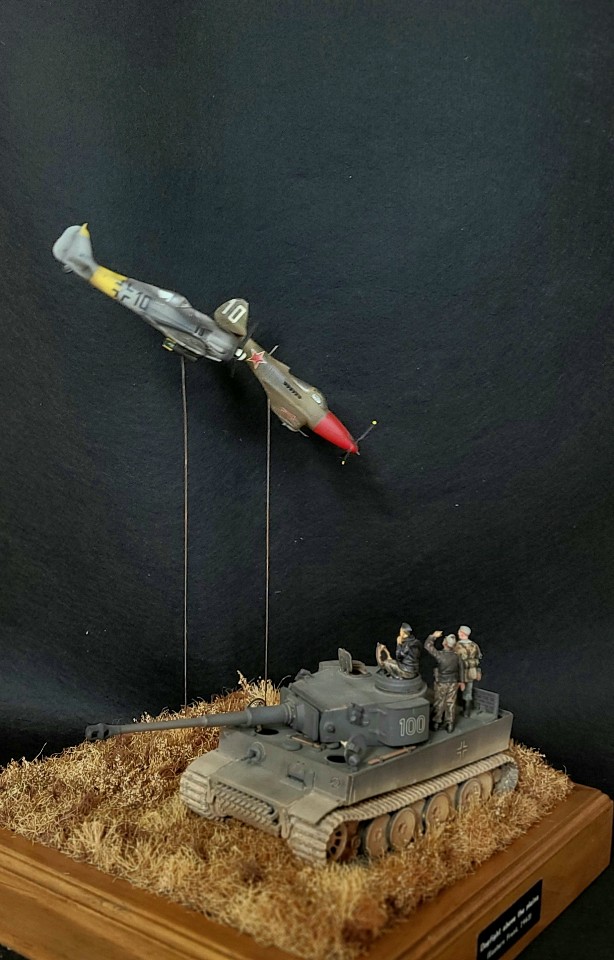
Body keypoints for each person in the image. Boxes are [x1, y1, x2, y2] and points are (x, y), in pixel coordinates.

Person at [424, 631, 463, 733]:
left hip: (442, 682)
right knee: (451, 703)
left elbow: (428, 646)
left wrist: (433, 636)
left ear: (445, 643)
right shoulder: (456, 657)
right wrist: (461, 681)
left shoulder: (440, 655)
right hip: (453, 682)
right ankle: (450, 724)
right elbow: (461, 669)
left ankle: (436, 722)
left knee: (439, 702)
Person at [455, 625, 482, 716]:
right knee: (468, 691)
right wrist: (478, 671)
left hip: (460, 672)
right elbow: (478, 659)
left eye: (459, 631)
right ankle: (466, 711)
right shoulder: (474, 645)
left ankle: (458, 709)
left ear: (462, 633)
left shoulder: (457, 646)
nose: (458, 633)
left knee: (454, 690)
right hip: (472, 671)